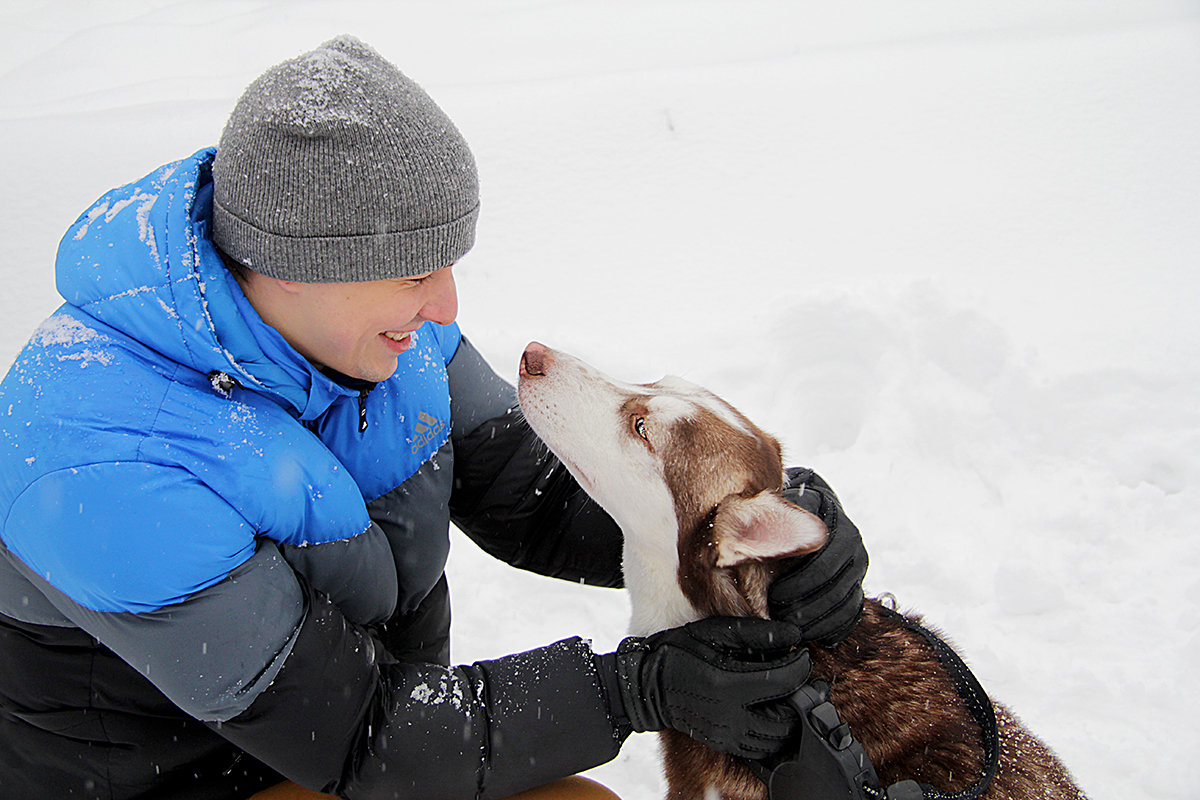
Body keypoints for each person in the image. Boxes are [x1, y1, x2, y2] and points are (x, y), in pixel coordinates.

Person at [0, 36, 867, 800]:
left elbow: (535, 495)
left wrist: (749, 539)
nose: (447, 305)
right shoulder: (97, 459)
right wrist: (630, 689)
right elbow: (358, 735)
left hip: (361, 761)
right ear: (301, 262)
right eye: (417, 271)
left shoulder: (377, 339)